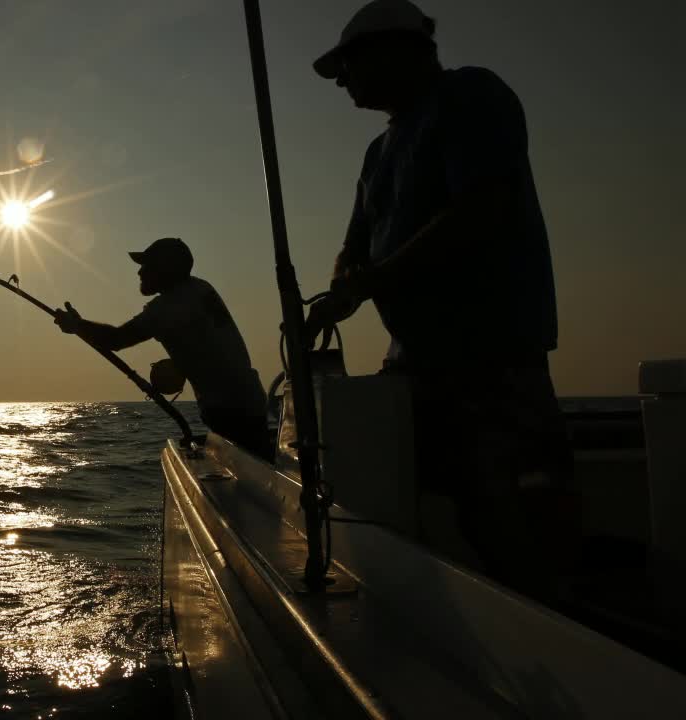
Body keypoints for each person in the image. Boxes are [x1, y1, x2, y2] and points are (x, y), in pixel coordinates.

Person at [303, 0, 576, 598]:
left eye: (348, 65)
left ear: (395, 50)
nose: (342, 80)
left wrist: (372, 282)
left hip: (492, 354)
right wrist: (342, 291)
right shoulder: (377, 153)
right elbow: (356, 248)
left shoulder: (471, 96)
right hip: (415, 364)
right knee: (433, 510)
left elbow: (481, 209)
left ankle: (563, 644)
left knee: (516, 522)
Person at [54, 237, 272, 458]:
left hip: (230, 412)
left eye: (146, 266)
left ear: (165, 269)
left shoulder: (169, 308)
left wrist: (77, 326)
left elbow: (116, 340)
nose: (140, 273)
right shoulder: (200, 288)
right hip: (249, 402)